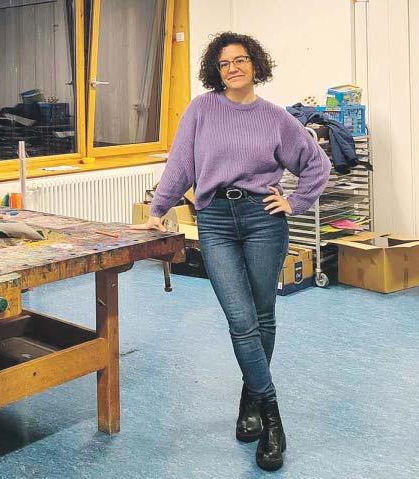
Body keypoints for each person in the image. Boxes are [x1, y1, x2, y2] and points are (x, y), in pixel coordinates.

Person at [132, 32, 331, 471]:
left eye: (240, 60)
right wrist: (158, 209)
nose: (233, 68)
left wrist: (295, 202)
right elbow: (181, 164)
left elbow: (317, 164)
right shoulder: (202, 109)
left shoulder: (276, 118)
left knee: (262, 315)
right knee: (241, 321)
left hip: (263, 220)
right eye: (224, 63)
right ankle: (273, 417)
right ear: (216, 71)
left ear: (256, 65)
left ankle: (250, 400)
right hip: (216, 221)